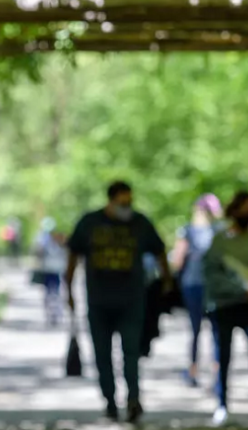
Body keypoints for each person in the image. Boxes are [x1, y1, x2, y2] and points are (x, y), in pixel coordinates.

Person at [65, 181, 171, 423]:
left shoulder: (140, 223)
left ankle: (133, 400)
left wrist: (167, 282)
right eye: (123, 203)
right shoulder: (89, 223)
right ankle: (110, 402)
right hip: (98, 302)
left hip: (132, 301)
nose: (127, 207)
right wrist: (68, 290)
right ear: (111, 201)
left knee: (131, 353)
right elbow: (72, 256)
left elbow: (159, 250)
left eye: (130, 203)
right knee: (102, 355)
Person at [204, 191, 248, 427]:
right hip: (224, 305)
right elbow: (210, 273)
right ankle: (222, 404)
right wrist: (238, 289)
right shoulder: (221, 240)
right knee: (223, 356)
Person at [171, 193, 223, 387]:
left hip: (192, 285)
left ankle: (192, 371)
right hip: (215, 287)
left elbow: (177, 261)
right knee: (217, 332)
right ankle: (218, 375)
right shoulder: (220, 231)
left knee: (195, 330)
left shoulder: (188, 231)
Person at [34, 217, 66, 326]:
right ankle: (52, 312)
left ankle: (53, 312)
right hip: (51, 269)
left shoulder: (54, 238)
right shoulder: (44, 239)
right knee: (52, 291)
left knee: (52, 292)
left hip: (53, 269)